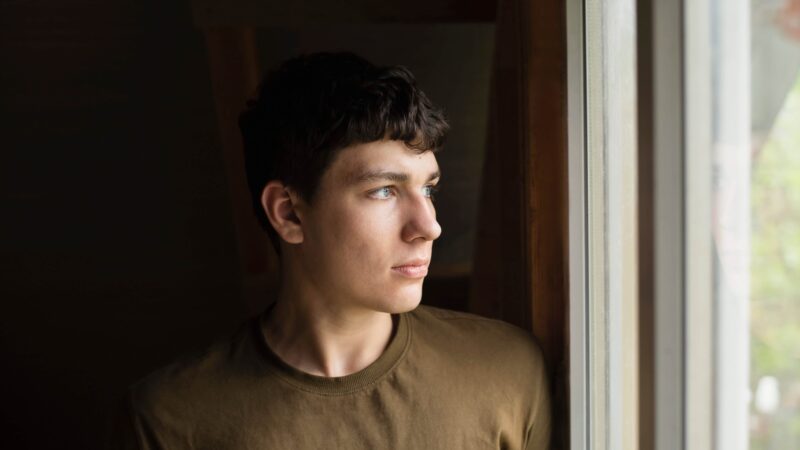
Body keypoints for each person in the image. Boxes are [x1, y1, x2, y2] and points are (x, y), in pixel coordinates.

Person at [109, 51, 552, 449]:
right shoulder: (170, 420)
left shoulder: (508, 371)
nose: (429, 227)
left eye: (428, 189)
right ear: (289, 214)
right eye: (383, 191)